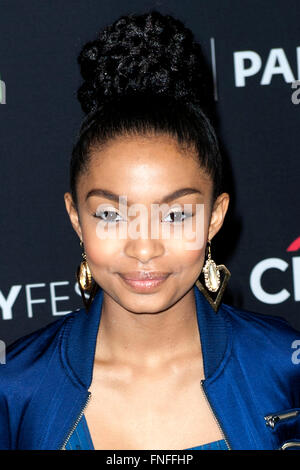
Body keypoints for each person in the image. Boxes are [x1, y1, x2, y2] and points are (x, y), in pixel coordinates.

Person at [1, 10, 300, 451]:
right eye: (111, 215)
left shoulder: (285, 365)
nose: (144, 247)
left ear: (215, 217)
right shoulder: (16, 387)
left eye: (176, 215)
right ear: (75, 217)